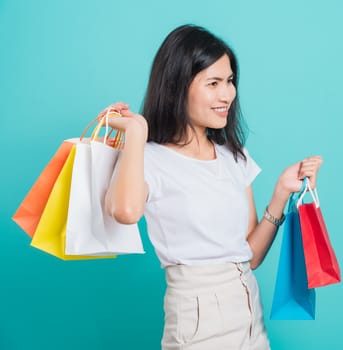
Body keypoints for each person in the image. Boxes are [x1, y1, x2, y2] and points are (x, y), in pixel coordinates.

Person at [103, 24, 323, 350]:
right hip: (196, 317)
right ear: (178, 87)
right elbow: (125, 212)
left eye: (230, 81)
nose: (227, 95)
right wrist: (136, 133)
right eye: (214, 83)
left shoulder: (234, 156)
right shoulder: (148, 157)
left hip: (248, 309)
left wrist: (281, 193)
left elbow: (249, 257)